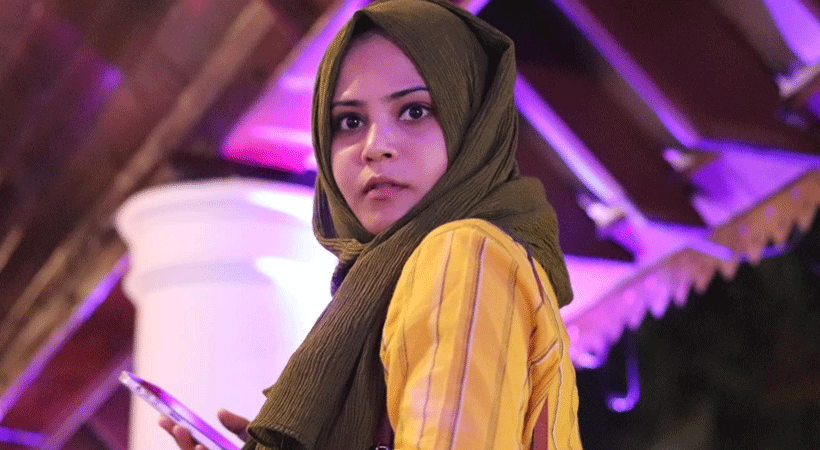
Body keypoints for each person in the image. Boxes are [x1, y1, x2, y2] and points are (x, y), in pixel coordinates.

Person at [161, 0, 581, 448]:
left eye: (415, 111)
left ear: (475, 123)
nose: (375, 147)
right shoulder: (398, 286)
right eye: (350, 121)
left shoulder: (464, 254)